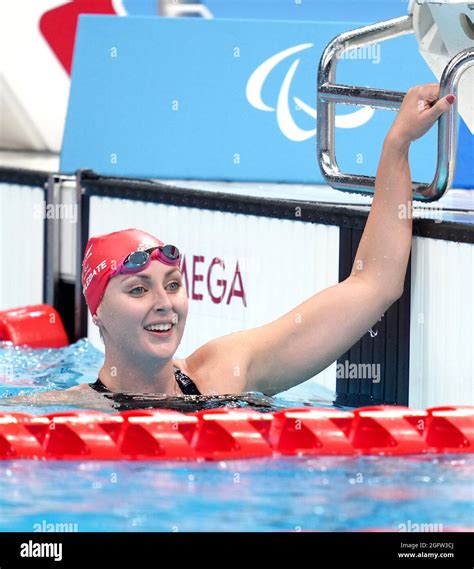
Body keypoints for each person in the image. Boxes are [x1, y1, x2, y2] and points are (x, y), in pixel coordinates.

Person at [4, 83, 455, 409]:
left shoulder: (227, 372)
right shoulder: (67, 413)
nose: (165, 304)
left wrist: (396, 146)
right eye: (139, 289)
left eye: (173, 285)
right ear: (97, 313)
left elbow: (374, 283)